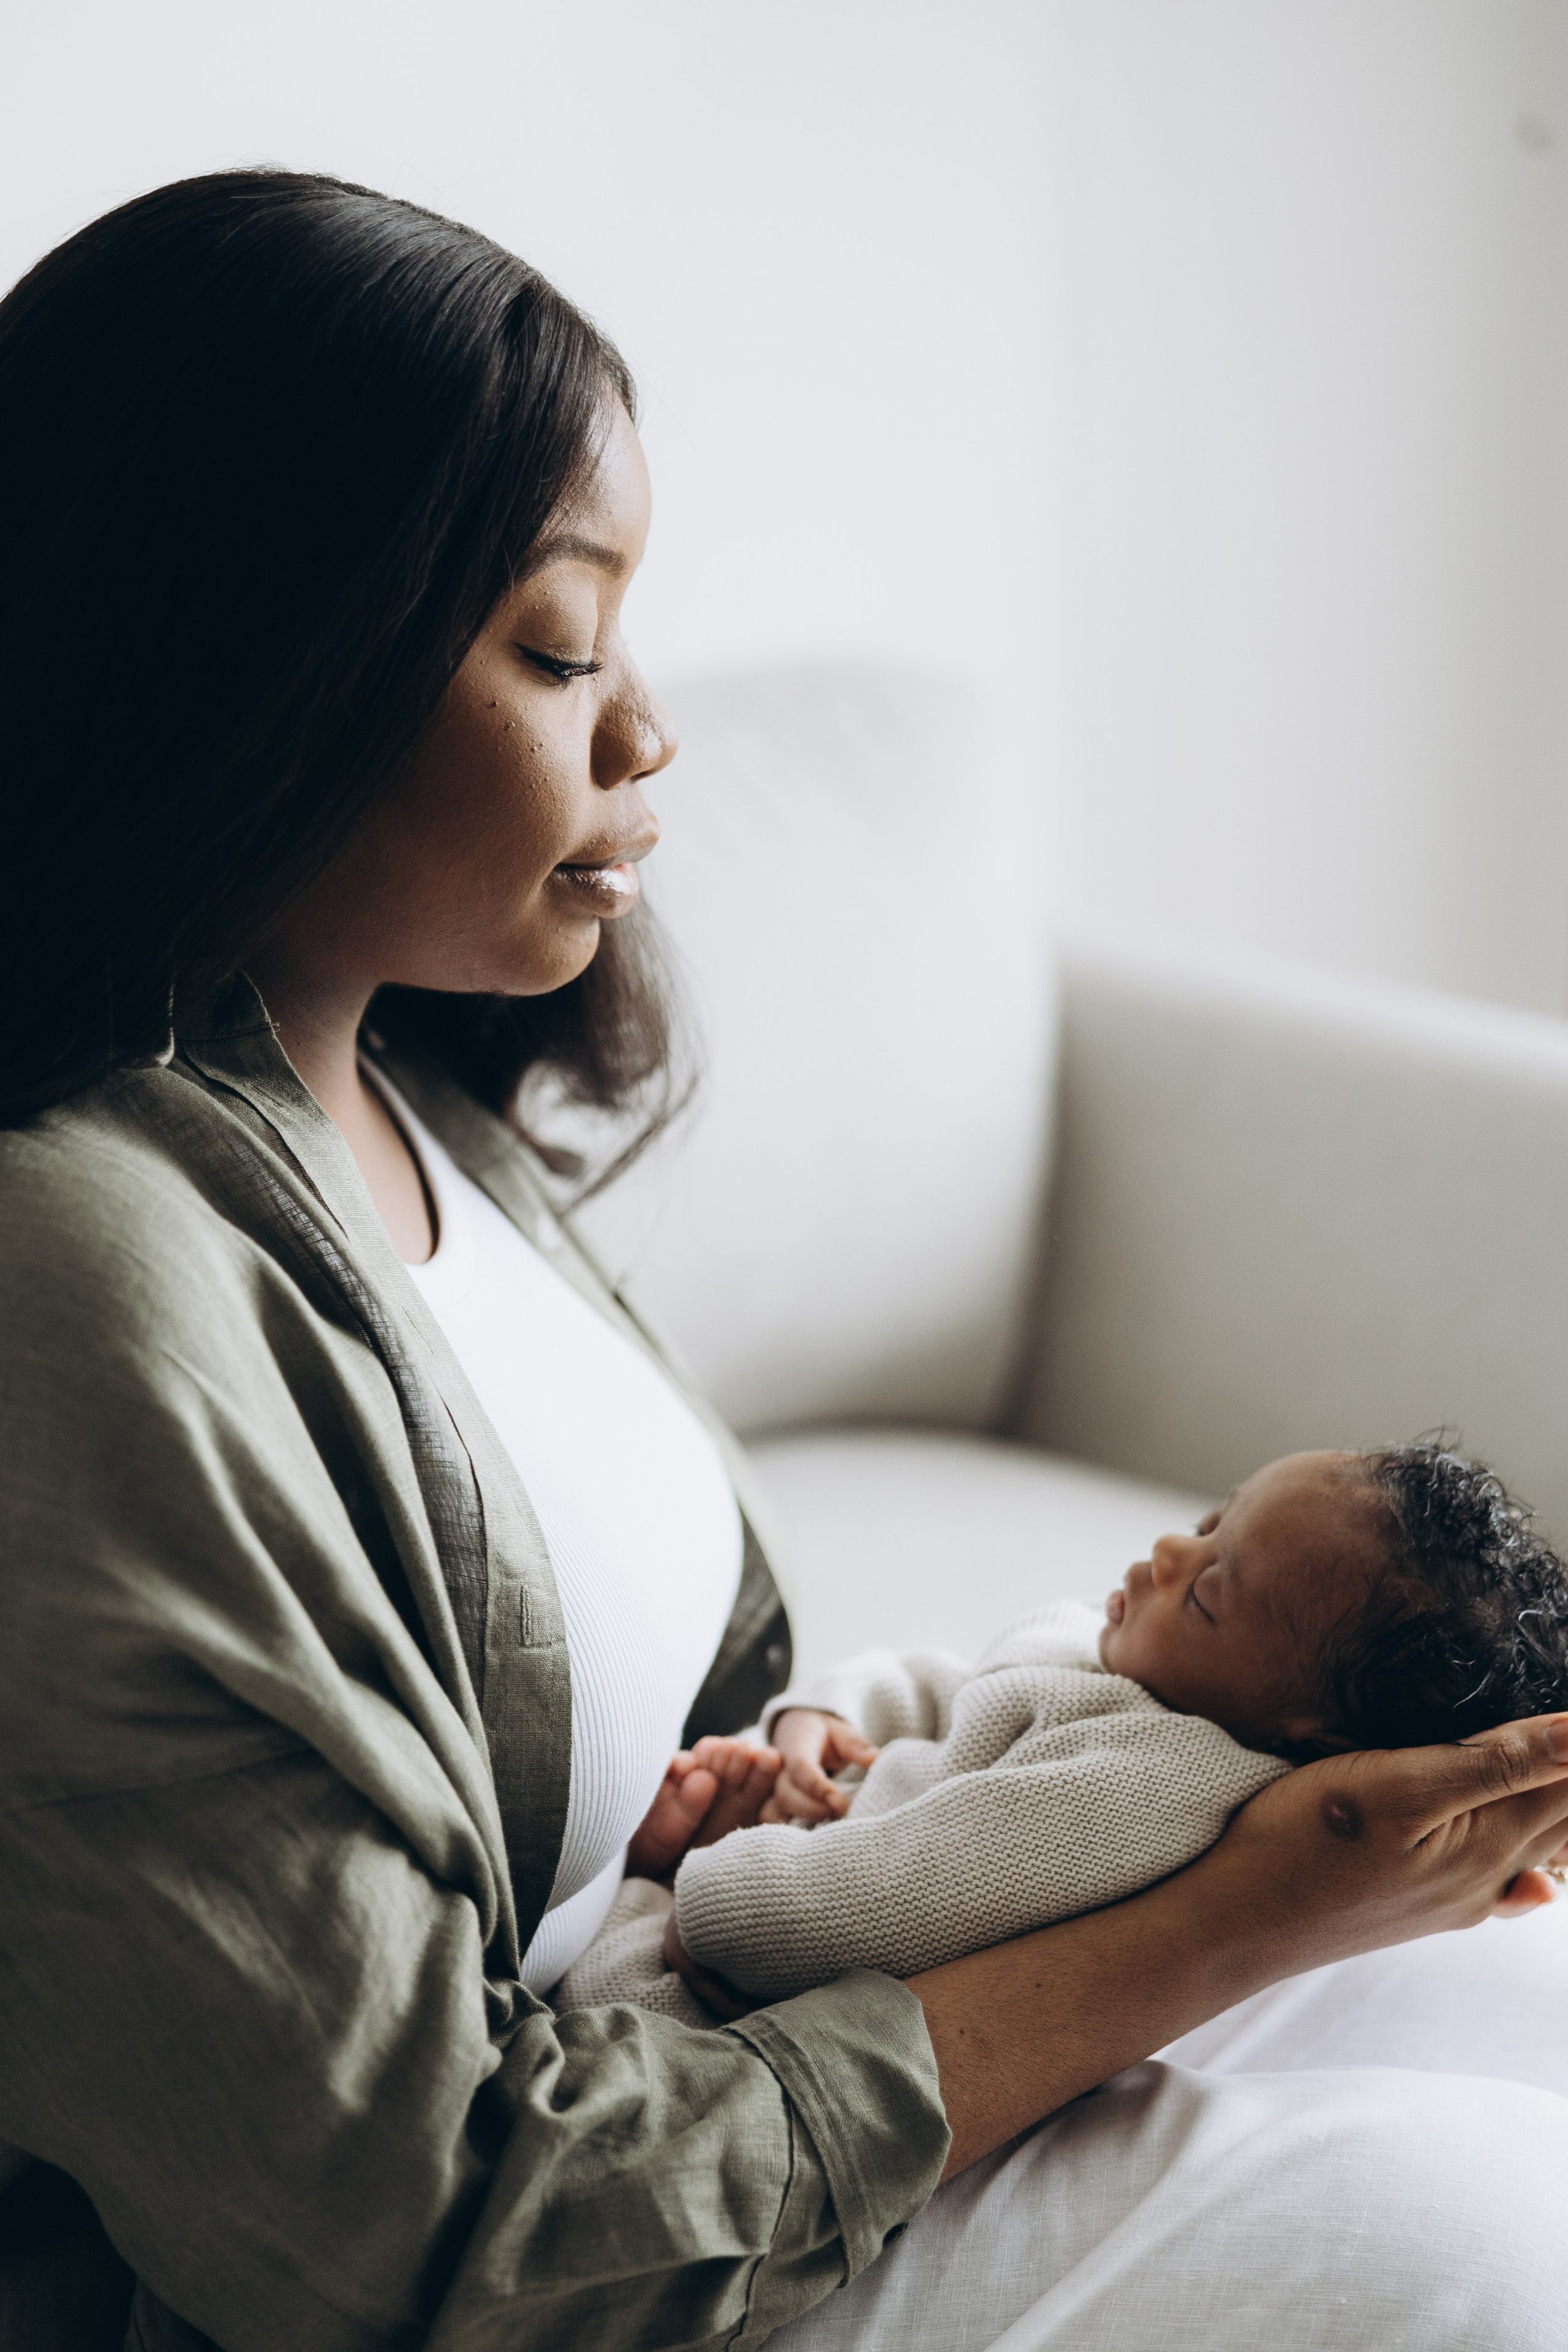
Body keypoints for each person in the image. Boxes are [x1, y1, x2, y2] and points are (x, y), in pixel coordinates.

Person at [1, 168, 1566, 2352]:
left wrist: (804, 1757)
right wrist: (1236, 1922)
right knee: (1488, 2255)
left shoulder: (415, 1109)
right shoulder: (78, 1285)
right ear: (256, 654)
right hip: (620, 2224)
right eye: (559, 645)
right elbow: (407, 2233)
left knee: (1536, 2012)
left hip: (753, 2024)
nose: (648, 734)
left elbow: (657, 1709)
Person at [557, 1441, 1568, 2010]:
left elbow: (846, 1916)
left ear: (1309, 1744)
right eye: (1210, 1520)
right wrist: (821, 1723)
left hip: (745, 1991)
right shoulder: (1113, 1661)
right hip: (809, 1855)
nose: (1168, 1552)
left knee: (597, 1980)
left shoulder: (1143, 1790)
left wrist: (703, 1872)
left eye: (1211, 1594)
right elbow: (947, 1686)